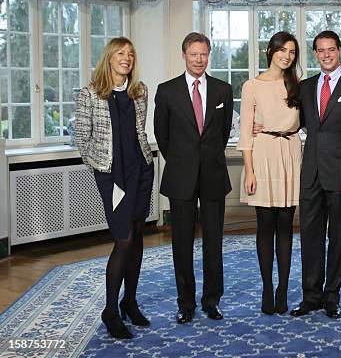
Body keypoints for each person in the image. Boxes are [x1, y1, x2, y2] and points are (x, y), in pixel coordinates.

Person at [75, 37, 154, 339]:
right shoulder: (90, 95)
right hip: (112, 176)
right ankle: (110, 310)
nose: (127, 58)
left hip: (141, 171)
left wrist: (145, 165)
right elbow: (83, 142)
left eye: (131, 54)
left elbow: (137, 132)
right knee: (123, 239)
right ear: (109, 58)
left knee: (137, 239)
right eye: (121, 54)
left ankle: (129, 302)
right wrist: (105, 172)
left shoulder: (139, 91)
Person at [289, 30, 341, 319]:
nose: (326, 55)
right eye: (321, 50)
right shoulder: (306, 87)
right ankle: (311, 296)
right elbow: (293, 122)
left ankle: (332, 296)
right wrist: (262, 127)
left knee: (337, 239)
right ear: (315, 54)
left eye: (331, 50)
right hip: (310, 173)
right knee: (310, 237)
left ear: (339, 50)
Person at [154, 32, 233, 324]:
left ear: (208, 55)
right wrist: (182, 161)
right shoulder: (167, 91)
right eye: (193, 54)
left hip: (213, 175)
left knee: (214, 243)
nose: (199, 60)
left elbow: (223, 133)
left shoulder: (223, 90)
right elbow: (162, 136)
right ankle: (185, 303)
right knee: (182, 244)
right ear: (184, 55)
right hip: (180, 177)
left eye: (203, 54)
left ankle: (212, 301)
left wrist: (206, 158)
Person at [237, 31, 301, 315]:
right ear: (270, 51)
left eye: (292, 52)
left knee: (286, 226)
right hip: (262, 155)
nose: (287, 56)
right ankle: (266, 287)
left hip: (290, 152)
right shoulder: (252, 85)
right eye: (282, 50)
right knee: (265, 227)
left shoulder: (299, 85)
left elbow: (314, 119)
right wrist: (249, 171)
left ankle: (282, 289)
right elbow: (245, 132)